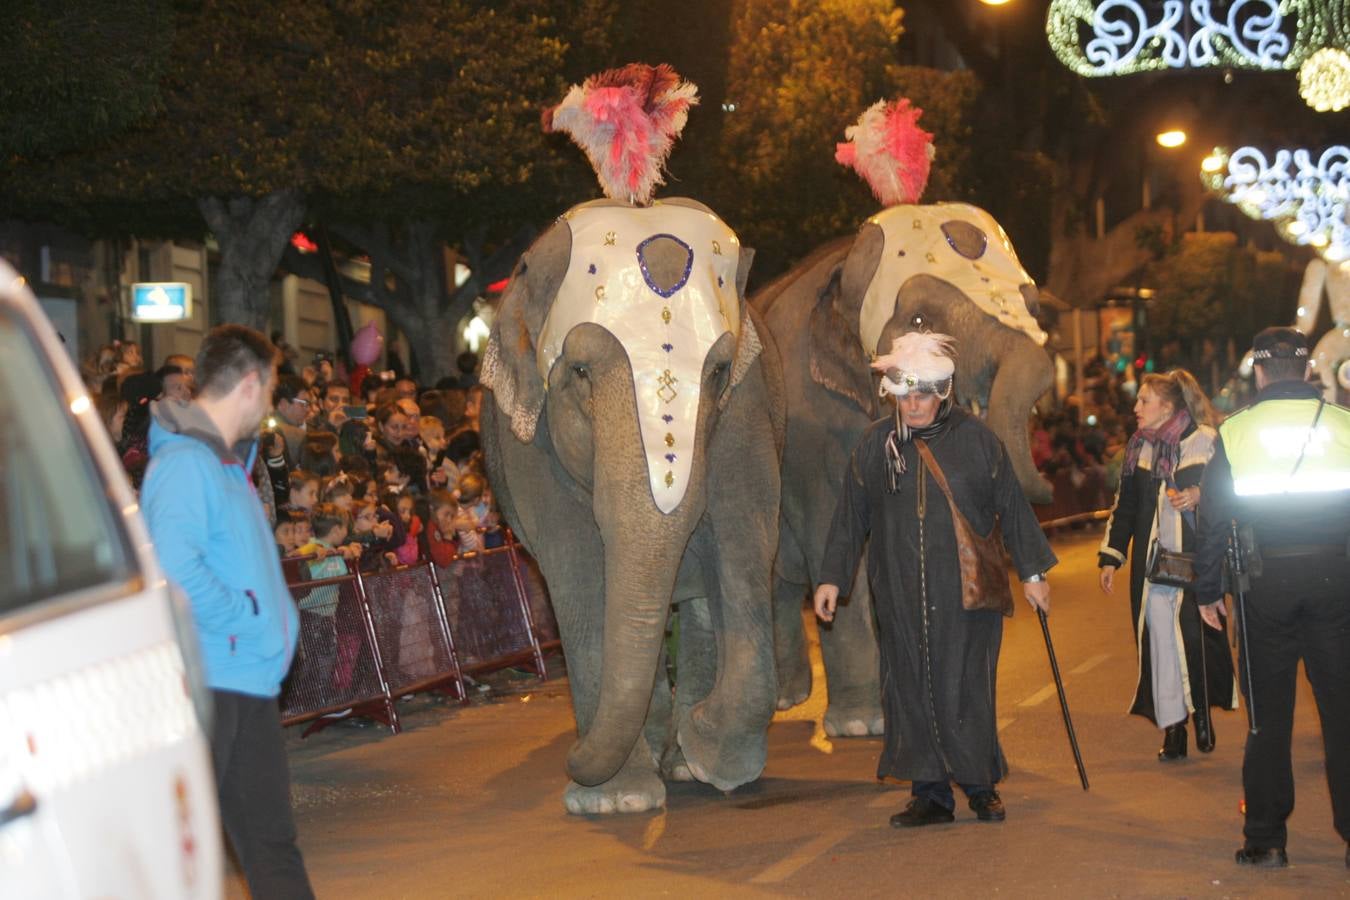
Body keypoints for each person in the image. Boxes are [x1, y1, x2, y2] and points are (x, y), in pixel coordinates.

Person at [814, 332, 1057, 827]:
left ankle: (980, 786)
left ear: (942, 392)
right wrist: (831, 578)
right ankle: (930, 795)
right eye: (904, 396)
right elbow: (850, 516)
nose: (913, 405)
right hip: (898, 593)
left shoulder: (978, 441)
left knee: (966, 687)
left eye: (922, 395)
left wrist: (1033, 573)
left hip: (966, 595)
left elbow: (1012, 507)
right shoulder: (876, 445)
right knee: (910, 687)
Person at [139, 324, 314, 899]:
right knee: (179, 860)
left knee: (271, 846)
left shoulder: (223, 462)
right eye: (271, 389)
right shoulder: (186, 464)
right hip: (212, 678)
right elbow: (174, 568)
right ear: (250, 384)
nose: (269, 404)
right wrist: (245, 615)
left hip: (244, 678)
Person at [1194, 327, 1350, 870]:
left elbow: (1213, 518)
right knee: (1344, 715)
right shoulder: (1344, 424)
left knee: (1268, 717)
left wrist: (1208, 589)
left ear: (1259, 372)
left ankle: (1265, 839)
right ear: (1307, 370)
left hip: (1264, 587)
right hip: (1336, 584)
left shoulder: (1235, 430)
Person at [1098, 369, 1237, 761]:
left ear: (1168, 406)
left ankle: (1202, 715)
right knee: (1159, 647)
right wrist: (1111, 557)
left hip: (1195, 564)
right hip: (1152, 571)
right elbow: (1125, 507)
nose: (1136, 407)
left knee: (1196, 640)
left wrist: (1198, 494)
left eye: (1144, 400)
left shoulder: (1204, 440)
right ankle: (1174, 729)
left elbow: (1228, 491)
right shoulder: (1138, 448)